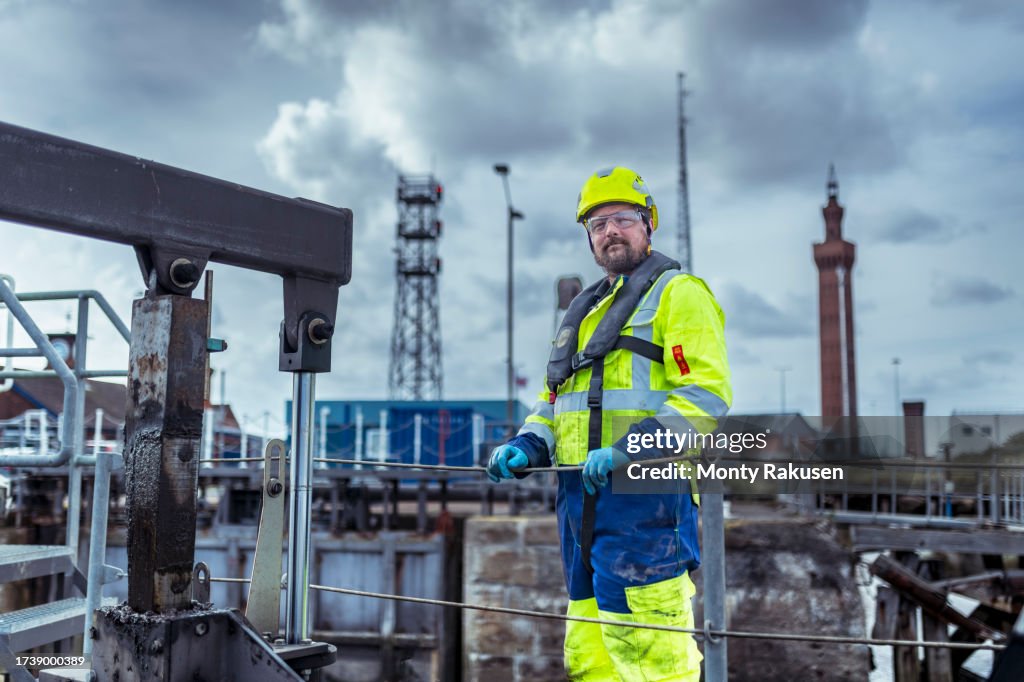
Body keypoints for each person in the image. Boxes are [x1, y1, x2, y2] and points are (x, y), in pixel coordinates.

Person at [487, 166, 732, 681]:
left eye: (622, 218)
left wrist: (630, 451)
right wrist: (529, 444)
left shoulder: (679, 294)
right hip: (579, 507)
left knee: (654, 658)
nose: (610, 231)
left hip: (645, 504)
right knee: (591, 656)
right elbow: (555, 400)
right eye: (597, 224)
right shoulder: (587, 311)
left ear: (648, 225)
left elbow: (705, 396)